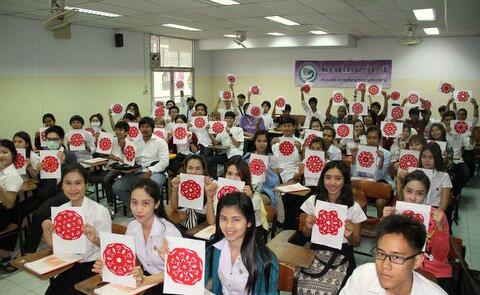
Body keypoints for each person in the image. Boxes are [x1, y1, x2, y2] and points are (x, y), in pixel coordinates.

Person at [92, 179, 182, 294]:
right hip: (145, 281)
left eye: (145, 203)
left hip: (170, 284)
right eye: (134, 202)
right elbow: (132, 261)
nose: (138, 210)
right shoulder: (132, 227)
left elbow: (177, 271)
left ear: (157, 203)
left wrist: (144, 280)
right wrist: (109, 267)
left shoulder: (170, 232)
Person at [41, 165, 111, 294]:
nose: (73, 188)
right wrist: (46, 227)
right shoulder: (61, 210)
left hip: (92, 266)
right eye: (68, 183)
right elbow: (55, 245)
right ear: (62, 185)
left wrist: (94, 238)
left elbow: (109, 248)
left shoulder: (100, 211)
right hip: (69, 264)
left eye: (78, 183)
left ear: (86, 185)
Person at [298, 161, 366, 294]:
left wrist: (349, 235)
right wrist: (308, 226)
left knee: (333, 289)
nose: (332, 183)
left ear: (345, 181)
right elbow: (306, 235)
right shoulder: (313, 201)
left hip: (342, 252)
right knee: (303, 285)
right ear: (322, 179)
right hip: (315, 250)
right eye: (328, 177)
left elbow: (356, 242)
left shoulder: (353, 207)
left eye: (338, 178)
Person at [384, 170, 454, 294]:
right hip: (399, 266)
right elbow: (383, 249)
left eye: (419, 193)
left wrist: (440, 229)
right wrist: (384, 221)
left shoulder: (437, 216)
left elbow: (441, 255)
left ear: (426, 195)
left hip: (434, 270)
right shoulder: (395, 212)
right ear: (402, 191)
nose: (413, 198)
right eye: (409, 191)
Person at [340, 214, 447, 295]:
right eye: (381, 254)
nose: (385, 265)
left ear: (417, 261)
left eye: (396, 257)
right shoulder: (362, 276)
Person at [205, 192, 279, 294]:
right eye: (223, 219)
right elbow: (199, 277)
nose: (228, 226)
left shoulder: (265, 260)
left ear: (249, 222)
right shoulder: (214, 247)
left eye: (236, 219)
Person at [24, 125, 78, 254]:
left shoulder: (69, 155)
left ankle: (29, 251)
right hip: (45, 191)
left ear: (61, 139)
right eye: (48, 139)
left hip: (62, 192)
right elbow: (39, 179)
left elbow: (75, 176)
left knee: (39, 215)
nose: (51, 142)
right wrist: (36, 169)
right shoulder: (44, 153)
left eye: (55, 139)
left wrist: (65, 163)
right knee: (21, 209)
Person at [113, 117, 169, 206]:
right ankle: (134, 208)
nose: (145, 129)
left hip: (156, 172)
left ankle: (152, 209)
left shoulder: (160, 142)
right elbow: (129, 159)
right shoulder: (135, 142)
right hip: (137, 172)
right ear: (139, 128)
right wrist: (123, 148)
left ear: (152, 128)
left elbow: (165, 162)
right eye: (142, 127)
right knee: (117, 187)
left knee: (151, 186)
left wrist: (150, 171)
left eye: (147, 127)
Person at [351, 126, 392, 217]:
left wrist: (381, 160)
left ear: (379, 139)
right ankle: (362, 220)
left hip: (380, 184)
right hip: (364, 183)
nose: (371, 140)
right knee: (358, 198)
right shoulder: (360, 150)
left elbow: (378, 177)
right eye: (369, 137)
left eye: (375, 138)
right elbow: (354, 174)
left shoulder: (386, 154)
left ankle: (381, 223)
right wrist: (354, 157)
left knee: (380, 202)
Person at [169, 155, 217, 230]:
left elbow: (211, 220)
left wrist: (210, 194)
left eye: (198, 168)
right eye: (190, 168)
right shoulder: (183, 181)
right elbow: (174, 207)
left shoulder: (212, 184)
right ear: (186, 169)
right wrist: (175, 189)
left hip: (205, 219)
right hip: (187, 216)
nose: (193, 172)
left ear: (203, 170)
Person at [0, 139, 24, 272]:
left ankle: (7, 255)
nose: (1, 155)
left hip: (3, 214)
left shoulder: (12, 175)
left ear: (13, 155)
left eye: (5, 152)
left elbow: (9, 204)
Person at [243, 131, 280, 208]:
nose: (262, 144)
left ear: (268, 143)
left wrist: (267, 178)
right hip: (249, 187)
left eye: (265, 141)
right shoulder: (248, 157)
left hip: (266, 190)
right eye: (259, 141)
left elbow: (275, 182)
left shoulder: (272, 159)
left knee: (255, 201)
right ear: (255, 142)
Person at [102, 121, 130, 216]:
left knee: (109, 180)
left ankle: (124, 202)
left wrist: (117, 157)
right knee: (106, 180)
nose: (118, 132)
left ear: (126, 132)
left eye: (121, 130)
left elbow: (130, 159)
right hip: (113, 166)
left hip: (124, 167)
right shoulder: (112, 140)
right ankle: (110, 204)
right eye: (117, 130)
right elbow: (106, 154)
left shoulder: (130, 142)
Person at [206, 111, 244, 176]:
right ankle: (215, 178)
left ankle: (227, 180)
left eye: (231, 118)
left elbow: (237, 145)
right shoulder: (221, 130)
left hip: (236, 153)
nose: (229, 120)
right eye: (227, 118)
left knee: (231, 165)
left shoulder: (239, 129)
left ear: (234, 119)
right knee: (208, 160)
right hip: (225, 153)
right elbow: (215, 142)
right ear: (224, 119)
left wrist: (230, 134)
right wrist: (209, 131)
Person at [271, 116, 301, 183]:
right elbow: (272, 159)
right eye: (284, 126)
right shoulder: (276, 142)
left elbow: (302, 161)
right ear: (281, 127)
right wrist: (271, 145)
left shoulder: (299, 142)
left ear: (294, 127)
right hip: (277, 172)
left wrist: (300, 150)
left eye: (289, 126)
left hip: (293, 172)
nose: (287, 128)